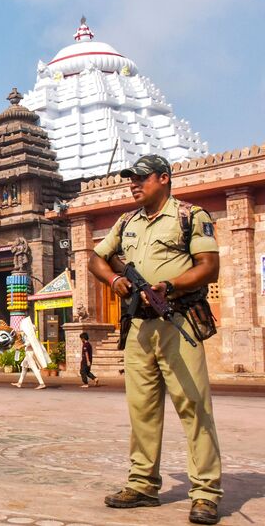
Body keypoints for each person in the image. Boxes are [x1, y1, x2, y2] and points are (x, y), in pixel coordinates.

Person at [88, 155, 222, 524]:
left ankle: (206, 493)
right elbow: (96, 259)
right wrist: (115, 281)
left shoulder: (191, 216)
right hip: (139, 328)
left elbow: (209, 266)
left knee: (194, 406)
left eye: (141, 178)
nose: (133, 184)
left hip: (177, 320)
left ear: (164, 178)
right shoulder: (126, 222)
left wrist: (169, 285)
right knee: (142, 411)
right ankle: (143, 484)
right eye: (130, 179)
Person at [11, 319, 48, 390]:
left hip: (30, 353)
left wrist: (21, 346)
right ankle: (19, 383)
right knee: (24, 367)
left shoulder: (31, 336)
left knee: (34, 368)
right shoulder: (28, 335)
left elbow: (29, 343)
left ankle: (42, 383)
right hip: (28, 352)